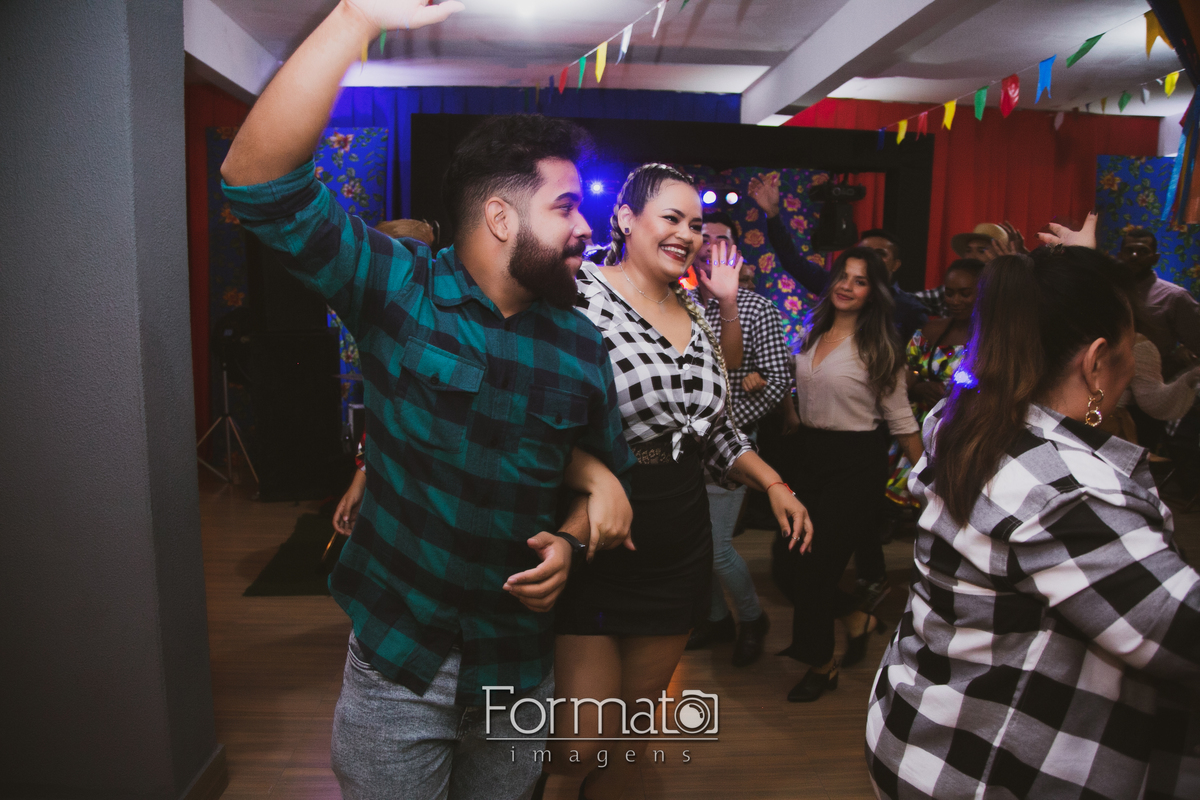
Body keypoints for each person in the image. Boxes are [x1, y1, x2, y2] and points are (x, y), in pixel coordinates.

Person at [221, 3, 639, 797]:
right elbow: (259, 183)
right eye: (565, 207)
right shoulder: (399, 289)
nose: (585, 228)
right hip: (401, 662)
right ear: (499, 216)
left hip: (517, 667)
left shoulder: (582, 343)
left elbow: (604, 481)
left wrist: (573, 539)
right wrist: (355, 17)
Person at [866, 240, 1200, 799]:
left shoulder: (965, 418)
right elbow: (1182, 634)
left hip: (919, 728)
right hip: (985, 771)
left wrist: (1073, 282)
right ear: (1096, 360)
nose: (1134, 360)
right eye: (1132, 344)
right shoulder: (1068, 495)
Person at [547, 163, 813, 800]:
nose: (688, 234)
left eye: (695, 224)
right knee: (577, 741)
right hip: (600, 529)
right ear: (625, 218)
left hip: (678, 533)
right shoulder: (577, 294)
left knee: (633, 729)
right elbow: (539, 415)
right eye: (672, 218)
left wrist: (774, 482)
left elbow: (712, 430)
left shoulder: (694, 310)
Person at [777, 247, 924, 703]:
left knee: (815, 570)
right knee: (785, 565)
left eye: (860, 281)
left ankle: (822, 665)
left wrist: (932, 483)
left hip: (856, 463)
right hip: (809, 457)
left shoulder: (880, 348)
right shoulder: (811, 331)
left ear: (873, 292)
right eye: (843, 275)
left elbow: (902, 423)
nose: (847, 286)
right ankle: (857, 615)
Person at [684, 210, 794, 667]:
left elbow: (777, 377)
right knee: (695, 547)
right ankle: (716, 619)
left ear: (736, 253)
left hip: (729, 445)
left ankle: (752, 618)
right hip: (682, 448)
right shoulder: (680, 302)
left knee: (716, 547)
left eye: (719, 240)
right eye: (701, 236)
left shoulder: (755, 307)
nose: (708, 247)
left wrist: (724, 418)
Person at [747, 172, 928, 343]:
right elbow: (792, 260)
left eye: (880, 254)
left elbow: (918, 356)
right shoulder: (835, 285)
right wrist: (772, 213)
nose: (871, 258)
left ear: (896, 264)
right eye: (865, 252)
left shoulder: (909, 309)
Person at [884, 258, 983, 511]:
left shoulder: (993, 338)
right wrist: (919, 388)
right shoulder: (931, 330)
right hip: (919, 429)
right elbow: (902, 374)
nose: (955, 300)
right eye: (949, 293)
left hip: (964, 432)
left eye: (965, 293)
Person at [1120, 227, 1200, 376]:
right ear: (1120, 255)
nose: (1134, 256)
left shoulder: (1175, 296)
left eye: (1143, 251)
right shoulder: (1108, 292)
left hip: (1158, 377)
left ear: (1155, 258)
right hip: (1112, 376)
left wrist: (1183, 354)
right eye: (1129, 250)